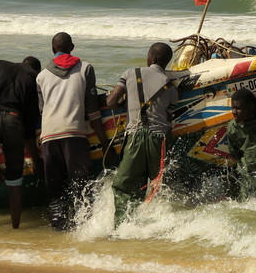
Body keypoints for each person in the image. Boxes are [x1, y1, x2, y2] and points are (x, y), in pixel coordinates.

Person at [36, 32, 109, 231]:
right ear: (72, 47)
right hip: (74, 135)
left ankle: (59, 229)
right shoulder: (86, 68)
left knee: (55, 189)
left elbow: (42, 110)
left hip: (49, 136)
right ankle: (83, 229)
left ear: (53, 49)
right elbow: (92, 108)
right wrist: (103, 139)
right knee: (81, 185)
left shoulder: (41, 76)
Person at [106, 42, 182, 223]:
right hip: (160, 139)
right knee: (159, 186)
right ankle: (156, 226)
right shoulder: (171, 88)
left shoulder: (131, 74)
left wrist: (124, 102)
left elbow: (110, 102)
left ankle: (123, 226)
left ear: (152, 58)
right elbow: (168, 117)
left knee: (124, 186)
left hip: (135, 137)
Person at [0, 56, 42, 232]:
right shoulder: (32, 77)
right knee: (14, 179)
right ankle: (15, 227)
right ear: (36, 69)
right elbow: (30, 120)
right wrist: (36, 159)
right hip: (14, 120)